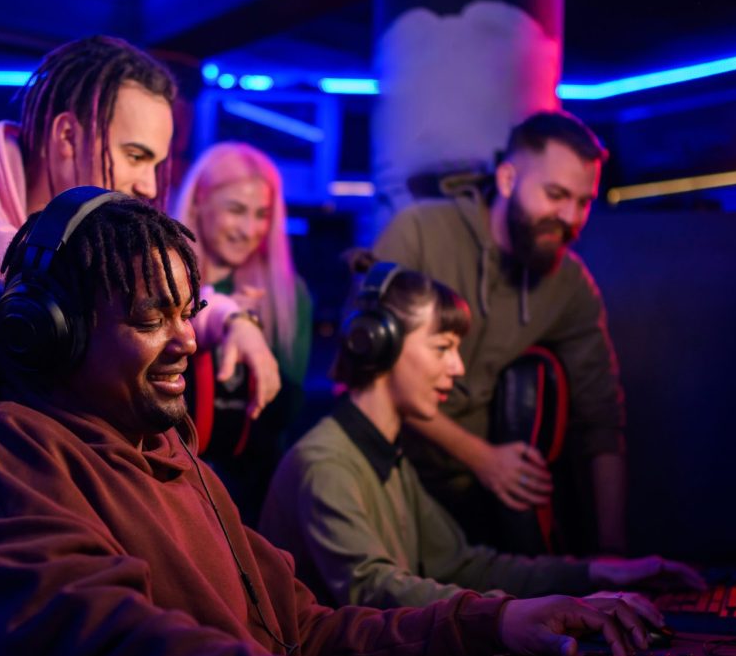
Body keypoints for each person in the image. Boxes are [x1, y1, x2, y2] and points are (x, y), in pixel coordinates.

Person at [0, 188, 657, 656]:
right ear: (51, 331)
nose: (187, 343)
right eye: (148, 319)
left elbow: (304, 635)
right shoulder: (1, 463)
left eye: (186, 314)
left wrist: (495, 624)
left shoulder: (173, 458)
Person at [259, 262, 703, 611]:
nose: (458, 367)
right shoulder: (326, 465)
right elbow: (378, 593)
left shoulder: (386, 457)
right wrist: (520, 615)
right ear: (379, 345)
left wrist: (594, 576)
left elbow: (463, 565)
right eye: (442, 348)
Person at [0, 35, 281, 416]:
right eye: (134, 156)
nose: (148, 185)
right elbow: (103, 287)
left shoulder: (73, 229)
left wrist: (231, 317)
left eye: (156, 164)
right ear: (67, 137)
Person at [374, 110, 630, 554]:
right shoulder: (418, 233)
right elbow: (370, 368)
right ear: (508, 179)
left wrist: (614, 554)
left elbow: (601, 418)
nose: (569, 216)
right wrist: (481, 457)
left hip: (480, 500)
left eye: (583, 201)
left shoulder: (569, 283)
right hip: (390, 473)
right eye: (555, 194)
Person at [170, 141, 313, 521]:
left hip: (249, 494)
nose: (250, 230)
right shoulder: (161, 276)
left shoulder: (285, 293)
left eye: (262, 214)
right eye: (236, 210)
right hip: (166, 480)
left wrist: (257, 339)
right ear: (199, 203)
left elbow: (288, 412)